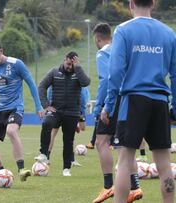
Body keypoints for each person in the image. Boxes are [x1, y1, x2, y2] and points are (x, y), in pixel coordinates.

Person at [101, 0, 176, 202]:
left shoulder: (123, 30)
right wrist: (175, 107)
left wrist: (108, 105)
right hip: (160, 101)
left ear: (130, 3)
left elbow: (115, 72)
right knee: (164, 164)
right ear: (153, 4)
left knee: (125, 160)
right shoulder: (169, 33)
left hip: (133, 101)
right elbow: (175, 75)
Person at [0, 39, 44, 182]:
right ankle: (2, 174)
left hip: (15, 108)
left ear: (1, 51)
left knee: (11, 131)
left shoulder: (16, 64)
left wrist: (38, 106)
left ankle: (22, 169)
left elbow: (31, 83)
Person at [91, 22, 143, 203]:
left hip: (115, 99)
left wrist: (100, 107)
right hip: (131, 98)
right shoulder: (123, 49)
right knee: (124, 146)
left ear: (97, 38)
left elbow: (106, 80)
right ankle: (135, 187)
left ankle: (108, 187)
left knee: (101, 141)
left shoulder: (103, 53)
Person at [35, 51, 90, 176]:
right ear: (64, 59)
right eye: (68, 63)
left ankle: (66, 168)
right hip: (56, 111)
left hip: (72, 113)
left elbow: (86, 83)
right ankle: (43, 153)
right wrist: (46, 105)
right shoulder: (54, 72)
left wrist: (78, 67)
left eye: (72, 64)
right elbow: (41, 86)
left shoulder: (78, 73)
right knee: (46, 123)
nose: (70, 66)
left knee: (68, 140)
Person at [37, 87, 89, 167]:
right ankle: (47, 157)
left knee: (74, 132)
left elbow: (82, 100)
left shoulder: (79, 82)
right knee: (54, 133)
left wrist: (80, 114)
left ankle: (71, 160)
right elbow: (49, 93)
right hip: (59, 110)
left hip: (72, 110)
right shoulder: (56, 78)